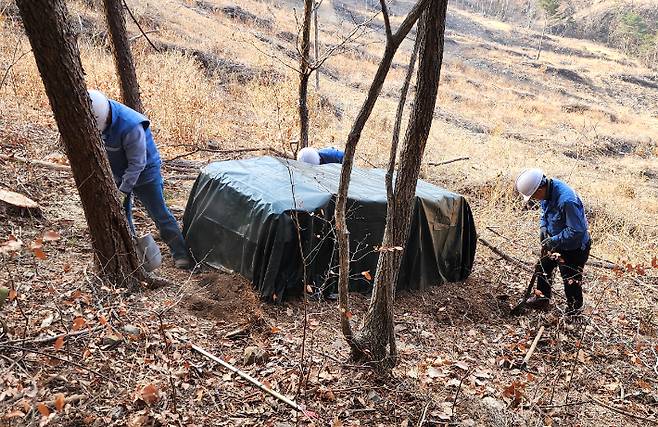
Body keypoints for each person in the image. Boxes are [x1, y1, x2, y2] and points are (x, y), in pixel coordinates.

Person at [88, 89, 192, 270]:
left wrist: (123, 190)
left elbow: (137, 164)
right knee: (122, 215)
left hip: (145, 172)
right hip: (118, 172)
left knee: (159, 214)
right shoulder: (95, 112)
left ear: (105, 118)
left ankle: (181, 254)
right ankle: (133, 255)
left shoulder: (131, 125)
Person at [515, 168, 591, 315]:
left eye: (534, 196)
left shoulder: (567, 201)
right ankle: (541, 299)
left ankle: (573, 312)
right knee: (543, 267)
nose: (535, 199)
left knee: (571, 281)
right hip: (554, 241)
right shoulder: (548, 192)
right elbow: (544, 211)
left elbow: (577, 231)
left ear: (540, 188)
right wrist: (543, 227)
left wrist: (554, 240)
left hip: (573, 248)